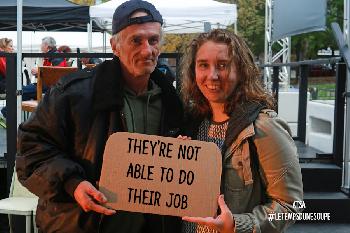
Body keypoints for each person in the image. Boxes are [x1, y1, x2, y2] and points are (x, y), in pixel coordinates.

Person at [16, 1, 183, 233]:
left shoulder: (172, 102)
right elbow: (30, 151)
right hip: (79, 224)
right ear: (115, 46)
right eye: (136, 40)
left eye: (153, 40)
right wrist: (72, 184)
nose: (147, 50)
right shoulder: (74, 93)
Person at [179, 29, 303, 233]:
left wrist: (237, 225)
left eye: (223, 65)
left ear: (241, 70)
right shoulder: (192, 123)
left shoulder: (263, 127)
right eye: (203, 65)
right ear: (194, 71)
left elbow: (291, 206)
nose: (213, 75)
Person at [23, 36, 68, 101]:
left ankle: (7, 110)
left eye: (41, 44)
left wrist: (39, 72)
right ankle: (8, 110)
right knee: (23, 94)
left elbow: (57, 75)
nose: (40, 46)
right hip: (48, 86)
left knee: (21, 90)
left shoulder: (56, 57)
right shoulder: (53, 56)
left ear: (47, 46)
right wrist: (38, 73)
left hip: (50, 87)